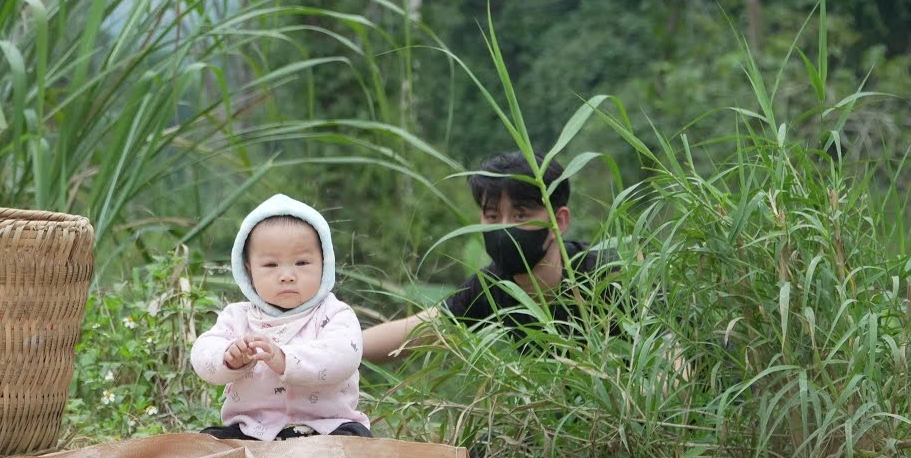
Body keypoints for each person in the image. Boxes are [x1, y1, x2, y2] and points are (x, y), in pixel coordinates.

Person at [362, 150, 618, 363]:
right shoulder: (491, 286)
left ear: (558, 221)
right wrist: (331, 352)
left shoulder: (609, 275)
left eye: (520, 216)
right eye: (493, 217)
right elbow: (416, 331)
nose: (504, 229)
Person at [191, 194, 372, 440]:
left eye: (302, 262)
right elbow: (202, 354)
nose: (287, 275)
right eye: (271, 265)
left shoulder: (335, 313)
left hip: (327, 428)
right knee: (209, 441)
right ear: (247, 269)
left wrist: (284, 359)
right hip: (253, 430)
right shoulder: (237, 317)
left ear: (324, 263)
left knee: (355, 439)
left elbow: (343, 356)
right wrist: (229, 358)